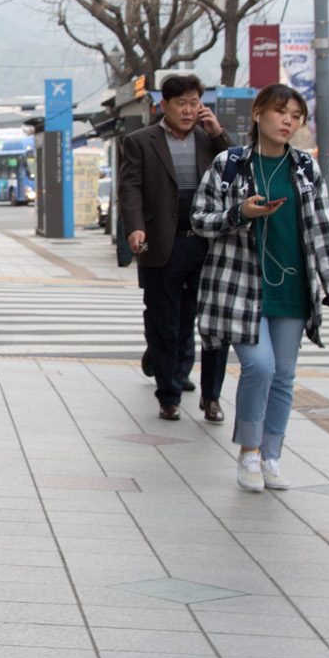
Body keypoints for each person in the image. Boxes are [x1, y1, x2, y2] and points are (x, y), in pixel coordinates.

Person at [192, 83, 329, 492]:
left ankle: (271, 455)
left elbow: (322, 231)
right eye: (281, 112)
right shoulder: (230, 163)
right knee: (259, 367)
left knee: (283, 376)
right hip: (239, 286)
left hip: (293, 290)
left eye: (296, 116)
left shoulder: (304, 168)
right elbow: (199, 220)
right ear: (259, 113)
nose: (288, 121)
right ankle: (248, 451)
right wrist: (239, 213)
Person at [117, 75, 233, 423]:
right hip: (162, 244)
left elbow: (239, 169)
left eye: (194, 101)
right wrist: (135, 227)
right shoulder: (141, 141)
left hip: (206, 243)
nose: (188, 109)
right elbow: (131, 188)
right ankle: (168, 394)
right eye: (181, 103)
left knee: (209, 323)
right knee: (163, 322)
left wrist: (218, 133)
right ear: (163, 105)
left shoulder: (208, 139)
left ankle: (209, 395)